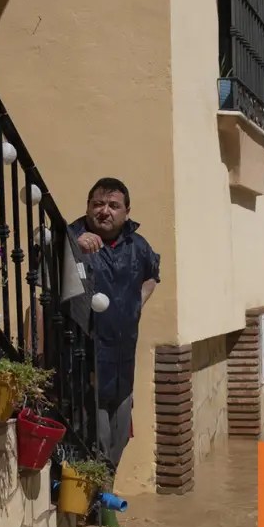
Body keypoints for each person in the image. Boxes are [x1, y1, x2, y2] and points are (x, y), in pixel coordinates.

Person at [68, 177, 160, 468]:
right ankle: (98, 510)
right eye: (97, 204)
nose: (104, 211)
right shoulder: (72, 238)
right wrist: (73, 245)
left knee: (118, 441)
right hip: (85, 367)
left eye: (113, 205)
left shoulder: (137, 245)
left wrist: (135, 307)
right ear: (87, 208)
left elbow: (151, 277)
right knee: (95, 445)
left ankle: (103, 503)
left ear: (126, 212)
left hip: (123, 367)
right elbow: (44, 273)